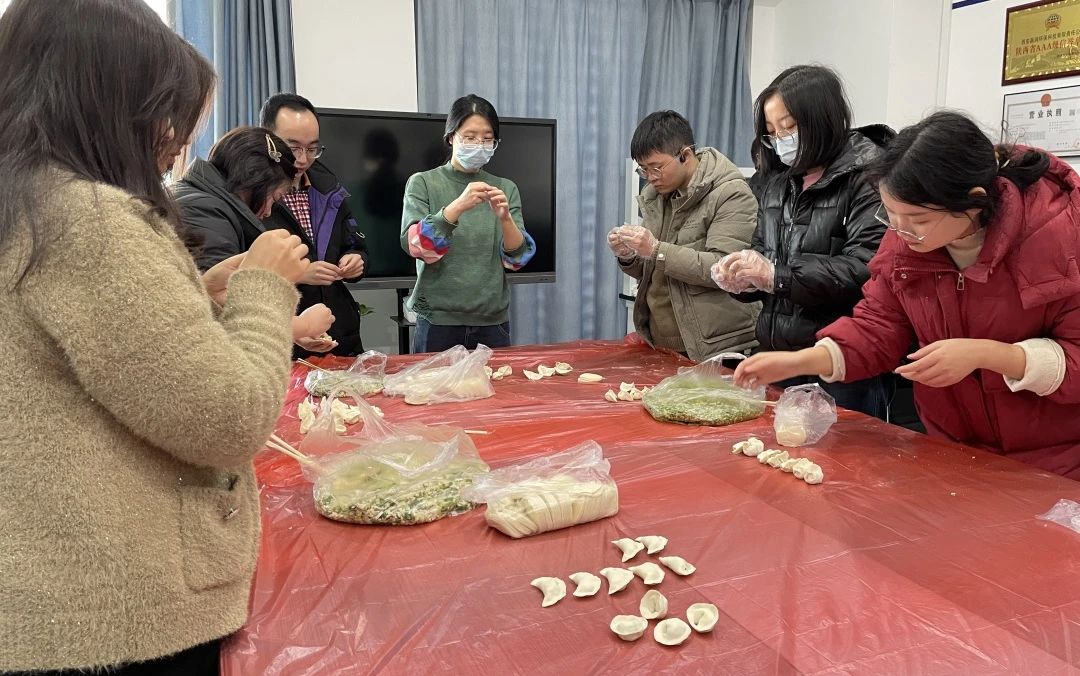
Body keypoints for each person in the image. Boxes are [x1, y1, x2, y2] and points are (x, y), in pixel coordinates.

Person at [0, 0, 309, 674]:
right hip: (119, 621)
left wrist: (197, 293)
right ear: (108, 101)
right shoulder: (90, 219)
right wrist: (264, 291)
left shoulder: (24, 204)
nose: (174, 142)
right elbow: (228, 419)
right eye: (166, 114)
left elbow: (77, 348)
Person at [734, 111, 1080, 478]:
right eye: (892, 216)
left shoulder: (1059, 240)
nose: (902, 233)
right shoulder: (905, 244)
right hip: (955, 447)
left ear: (973, 204)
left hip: (1055, 456)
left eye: (917, 220)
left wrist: (990, 355)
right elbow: (879, 326)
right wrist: (801, 361)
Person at [711, 65, 895, 418]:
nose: (781, 140)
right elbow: (766, 252)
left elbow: (867, 268)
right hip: (780, 357)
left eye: (790, 127)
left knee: (844, 465)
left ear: (822, 118)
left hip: (842, 363)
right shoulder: (780, 181)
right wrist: (742, 278)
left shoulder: (869, 178)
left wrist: (775, 275)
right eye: (772, 132)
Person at [608, 110, 759, 360]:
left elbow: (724, 269)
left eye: (656, 168)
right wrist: (629, 256)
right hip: (661, 340)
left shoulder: (731, 194)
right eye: (644, 170)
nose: (651, 178)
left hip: (714, 345)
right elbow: (654, 269)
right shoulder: (657, 196)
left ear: (685, 155)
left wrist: (655, 249)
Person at [173, 126, 338, 353]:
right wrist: (303, 325)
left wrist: (294, 331)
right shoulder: (202, 209)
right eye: (275, 197)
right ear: (256, 180)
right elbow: (225, 307)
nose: (269, 211)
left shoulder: (203, 200)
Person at [400, 94, 536, 352]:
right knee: (433, 391)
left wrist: (505, 218)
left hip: (492, 322)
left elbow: (516, 260)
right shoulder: (423, 183)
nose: (479, 145)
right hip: (438, 320)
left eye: (487, 139)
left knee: (497, 390)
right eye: (470, 137)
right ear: (451, 137)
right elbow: (418, 248)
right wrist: (458, 206)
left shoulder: (506, 188)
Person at [260, 93, 369, 356]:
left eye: (312, 148)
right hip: (280, 335)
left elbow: (353, 242)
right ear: (267, 139)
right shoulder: (252, 193)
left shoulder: (329, 187)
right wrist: (298, 274)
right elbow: (239, 273)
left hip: (338, 330)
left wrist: (355, 258)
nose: (302, 158)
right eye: (293, 147)